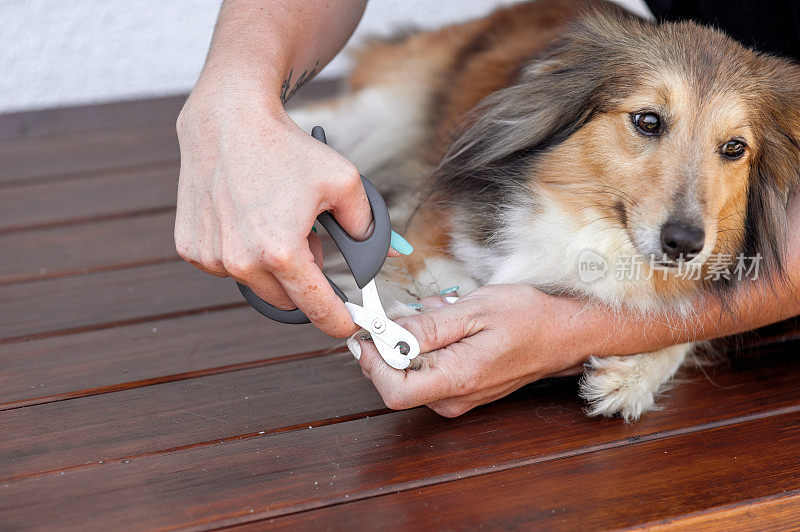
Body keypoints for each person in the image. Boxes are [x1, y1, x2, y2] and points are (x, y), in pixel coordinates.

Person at [175, 0, 800, 417]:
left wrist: (626, 331)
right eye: (647, 122)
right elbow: (424, 245)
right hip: (522, 49)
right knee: (355, 127)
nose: (686, 211)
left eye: (731, 148)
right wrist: (235, 107)